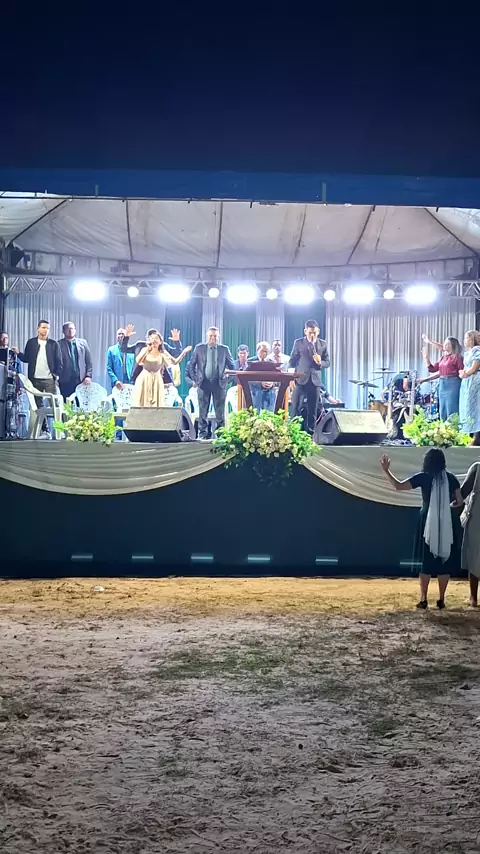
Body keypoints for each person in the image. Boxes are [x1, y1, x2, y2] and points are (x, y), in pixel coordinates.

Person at [380, 449, 463, 610]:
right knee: (444, 561)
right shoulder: (451, 478)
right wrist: (447, 507)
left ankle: (424, 599)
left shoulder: (423, 477)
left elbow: (399, 486)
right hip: (446, 521)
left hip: (427, 520)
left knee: (426, 561)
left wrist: (386, 471)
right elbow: (459, 501)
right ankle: (441, 599)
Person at [15, 321, 62, 434]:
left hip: (49, 379)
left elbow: (59, 361)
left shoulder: (53, 344)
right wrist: (18, 353)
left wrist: (56, 376)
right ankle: (45, 431)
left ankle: (59, 430)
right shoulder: (31, 343)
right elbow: (26, 358)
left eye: (47, 328)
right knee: (39, 406)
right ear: (38, 328)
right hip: (35, 379)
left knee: (55, 405)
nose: (45, 330)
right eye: (43, 327)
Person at [187, 327, 235, 439]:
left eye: (215, 336)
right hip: (203, 383)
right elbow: (191, 365)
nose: (212, 338)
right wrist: (196, 379)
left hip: (219, 384)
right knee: (202, 411)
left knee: (220, 413)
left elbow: (232, 367)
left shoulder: (224, 349)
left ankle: (221, 435)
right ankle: (202, 434)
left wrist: (227, 380)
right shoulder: (199, 348)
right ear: (207, 336)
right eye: (210, 336)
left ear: (218, 337)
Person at [289, 319, 330, 433]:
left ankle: (312, 433)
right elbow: (292, 361)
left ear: (318, 331)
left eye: (314, 333)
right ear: (305, 331)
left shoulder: (323, 344)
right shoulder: (299, 343)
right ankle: (294, 432)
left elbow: (327, 362)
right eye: (310, 332)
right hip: (300, 379)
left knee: (313, 409)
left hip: (315, 381)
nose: (312, 335)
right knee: (296, 407)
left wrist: (320, 362)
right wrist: (291, 377)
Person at [133, 332, 191, 408]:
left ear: (160, 342)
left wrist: (184, 352)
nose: (154, 340)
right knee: (142, 403)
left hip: (157, 380)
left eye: (156, 338)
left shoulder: (163, 353)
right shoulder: (145, 350)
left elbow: (175, 362)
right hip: (144, 378)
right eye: (152, 338)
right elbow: (138, 361)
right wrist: (147, 349)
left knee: (156, 405)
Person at [420, 334, 463, 420]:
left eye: (447, 344)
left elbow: (461, 371)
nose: (444, 345)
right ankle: (443, 426)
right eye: (444, 343)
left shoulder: (457, 357)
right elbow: (432, 369)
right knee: (442, 407)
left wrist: (429, 341)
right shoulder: (443, 357)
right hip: (442, 384)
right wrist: (426, 358)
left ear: (452, 346)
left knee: (451, 406)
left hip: (453, 383)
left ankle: (453, 426)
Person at [457, 462, 480, 606]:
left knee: (474, 552)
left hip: (478, 513)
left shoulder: (477, 467)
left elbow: (464, 491)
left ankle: (473, 598)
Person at [57, 322, 93, 400]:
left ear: (75, 330)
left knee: (81, 402)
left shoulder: (83, 343)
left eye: (72, 329)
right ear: (63, 331)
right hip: (65, 380)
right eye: (68, 329)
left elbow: (89, 361)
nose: (70, 331)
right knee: (67, 403)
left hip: (81, 379)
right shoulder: (58, 344)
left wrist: (88, 376)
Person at [459, 330, 480, 445]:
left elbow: (474, 367)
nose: (464, 341)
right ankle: (466, 434)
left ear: (472, 339)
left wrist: (465, 373)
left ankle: (476, 437)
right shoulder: (467, 353)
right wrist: (463, 373)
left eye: (466, 338)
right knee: (466, 407)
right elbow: (466, 367)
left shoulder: (477, 350)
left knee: (475, 407)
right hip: (467, 381)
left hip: (475, 380)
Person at [249, 341, 275, 412]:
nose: (264, 353)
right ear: (257, 350)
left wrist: (272, 383)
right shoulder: (250, 362)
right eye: (262, 351)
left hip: (269, 394)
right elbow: (247, 379)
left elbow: (278, 378)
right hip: (256, 393)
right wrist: (260, 383)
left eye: (266, 351)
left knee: (269, 414)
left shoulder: (272, 362)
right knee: (255, 414)